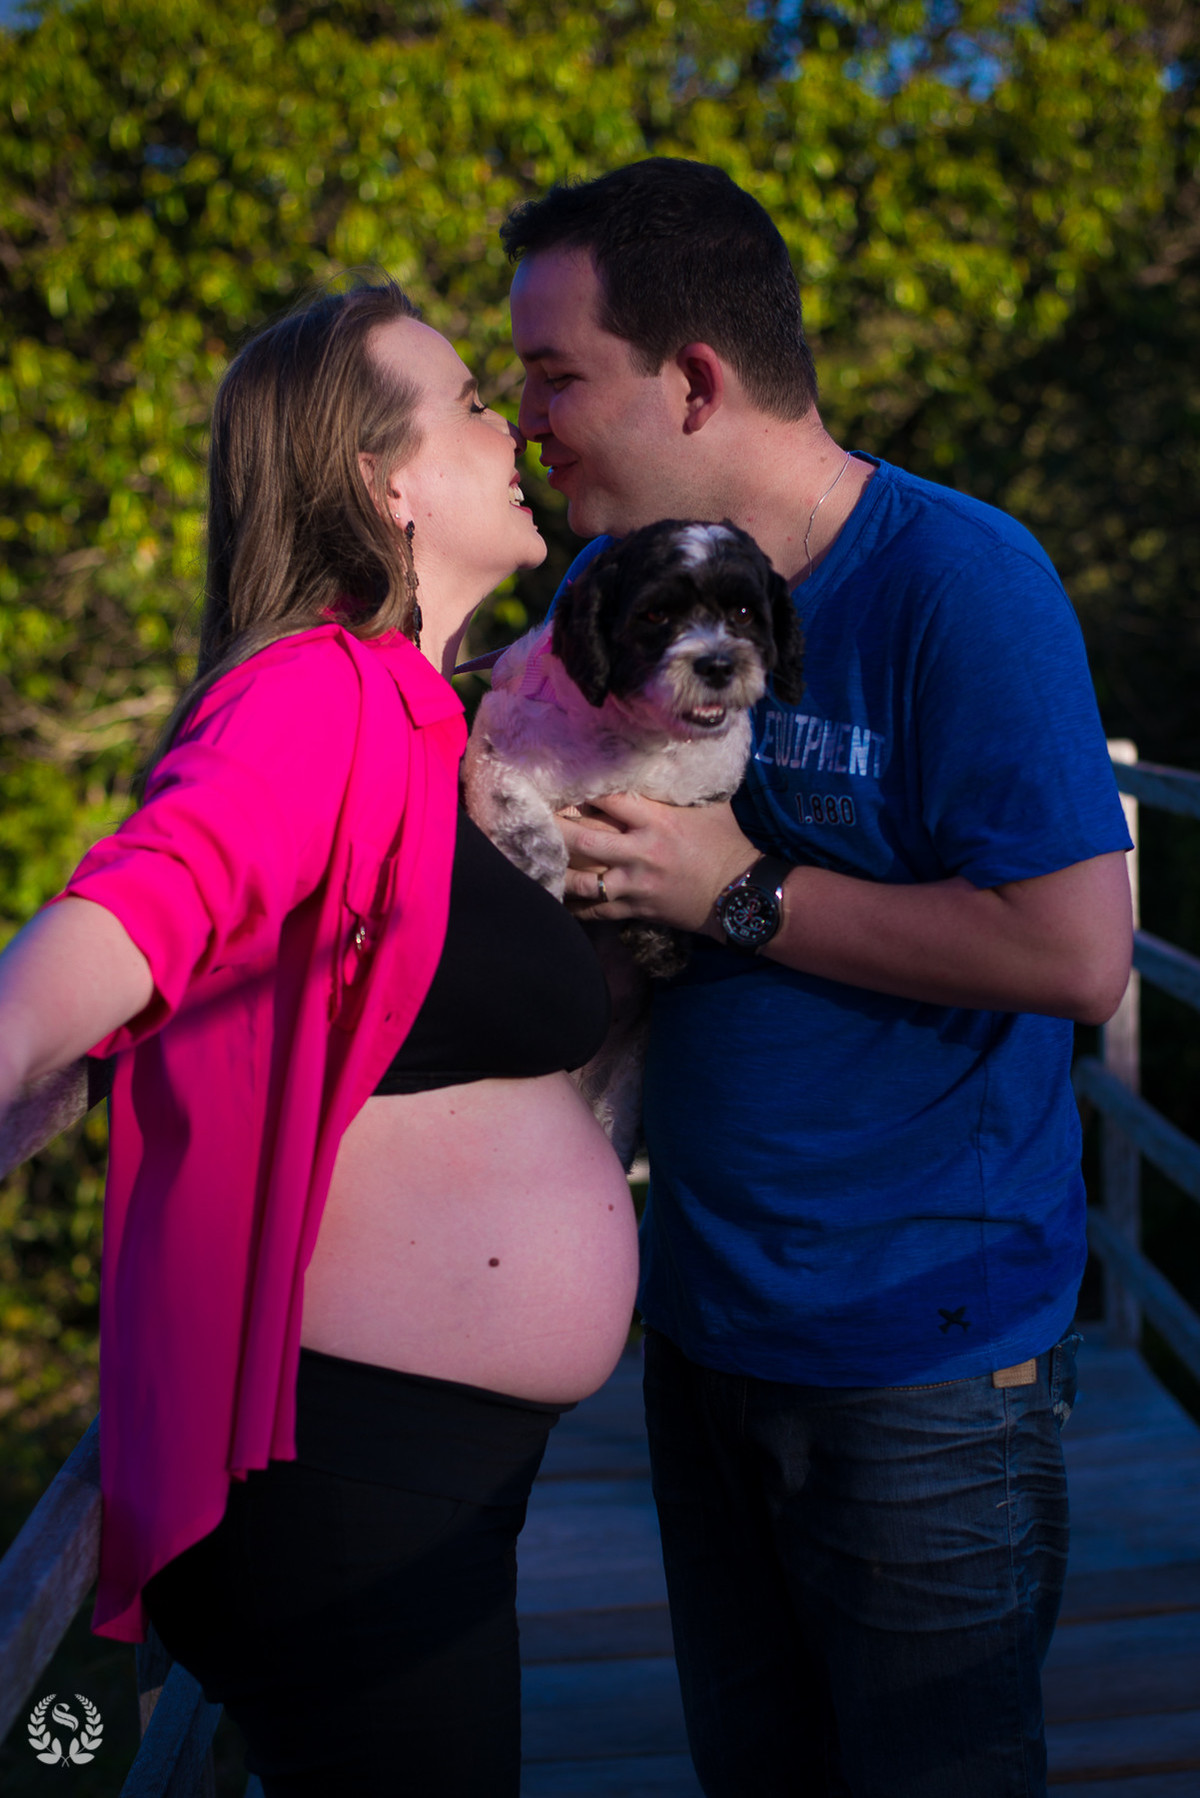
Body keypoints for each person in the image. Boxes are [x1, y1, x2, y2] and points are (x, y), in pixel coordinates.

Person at [500, 159, 1134, 1798]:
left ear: (693, 380)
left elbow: (1077, 951)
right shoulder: (601, 585)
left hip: (922, 1358)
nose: (529, 422)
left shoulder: (959, 584)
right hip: (705, 1325)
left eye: (556, 375)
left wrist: (742, 894)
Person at [0, 281, 639, 1795]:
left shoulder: (418, 720)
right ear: (387, 482)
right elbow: (142, 905)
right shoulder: (320, 694)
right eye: (476, 403)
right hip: (346, 1486)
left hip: (414, 1484)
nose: (512, 428)